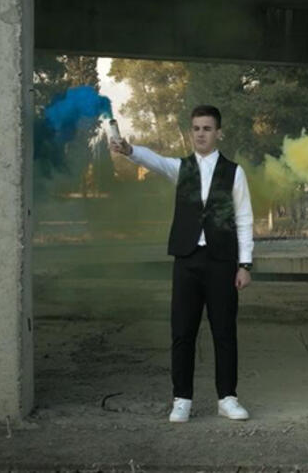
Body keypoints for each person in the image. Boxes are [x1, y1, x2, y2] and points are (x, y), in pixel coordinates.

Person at [110, 105, 254, 423]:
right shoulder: (181, 168)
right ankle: (182, 399)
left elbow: (244, 218)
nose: (201, 134)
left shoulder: (234, 172)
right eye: (196, 128)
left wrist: (245, 264)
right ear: (191, 132)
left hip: (221, 262)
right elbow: (154, 160)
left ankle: (227, 398)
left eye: (207, 128)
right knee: (182, 331)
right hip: (187, 260)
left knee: (224, 332)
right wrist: (130, 150)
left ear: (218, 133)